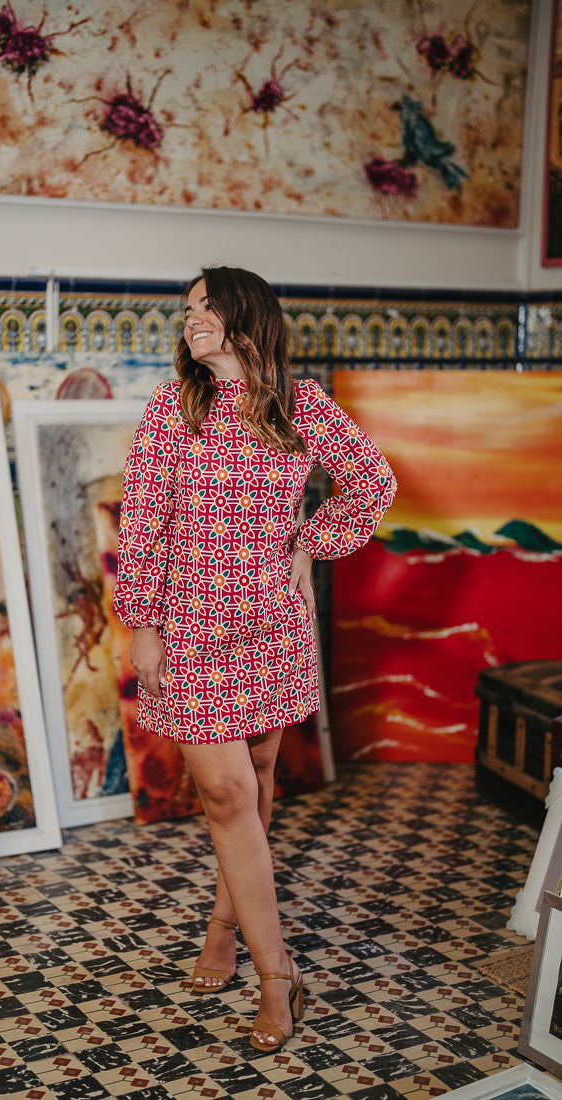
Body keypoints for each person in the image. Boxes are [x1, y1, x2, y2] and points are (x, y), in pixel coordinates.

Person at [114, 265, 397, 1053]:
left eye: (206, 306)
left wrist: (311, 542)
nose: (191, 318)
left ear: (248, 317)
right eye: (187, 309)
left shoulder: (300, 405)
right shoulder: (174, 408)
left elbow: (371, 483)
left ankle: (223, 923)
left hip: (272, 629)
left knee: (260, 775)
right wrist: (142, 624)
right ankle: (279, 973)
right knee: (226, 791)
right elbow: (142, 523)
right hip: (190, 628)